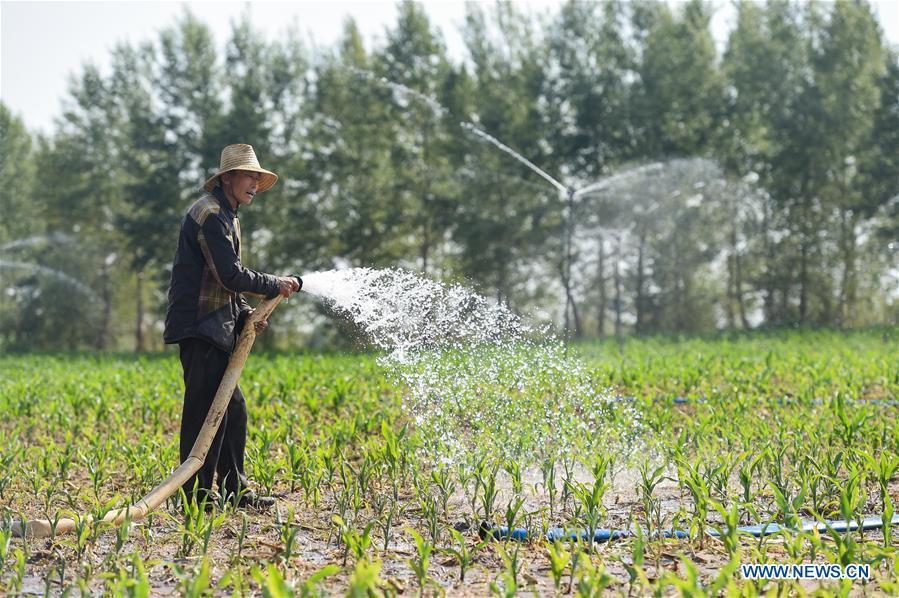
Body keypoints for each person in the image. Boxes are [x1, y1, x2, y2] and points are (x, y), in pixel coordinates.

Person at [164, 143, 301, 510]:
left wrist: (243, 316)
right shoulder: (209, 214)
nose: (255, 183)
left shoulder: (229, 216)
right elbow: (230, 275)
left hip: (217, 325)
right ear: (227, 178)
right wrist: (276, 283)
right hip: (199, 326)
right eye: (248, 176)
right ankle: (197, 496)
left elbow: (224, 284)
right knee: (203, 410)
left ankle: (233, 490)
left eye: (258, 178)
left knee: (232, 409)